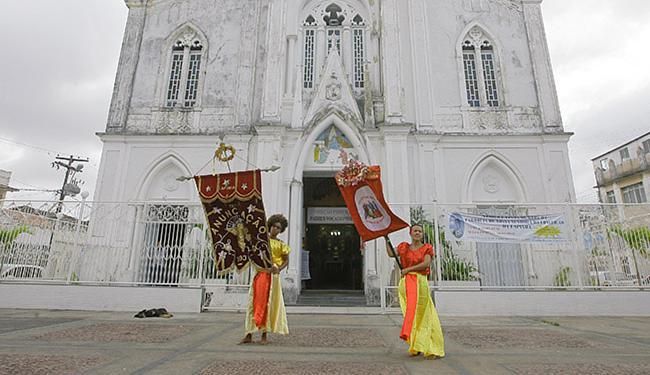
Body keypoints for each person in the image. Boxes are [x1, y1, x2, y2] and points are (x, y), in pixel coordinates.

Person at [387, 224, 445, 358]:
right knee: (412, 316)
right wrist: (386, 238)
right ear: (410, 233)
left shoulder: (427, 248)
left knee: (424, 314)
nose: (417, 233)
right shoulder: (404, 247)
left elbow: (426, 264)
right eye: (415, 231)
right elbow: (391, 253)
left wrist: (408, 270)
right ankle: (417, 344)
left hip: (420, 282)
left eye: (420, 231)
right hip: (407, 283)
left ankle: (432, 346)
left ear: (422, 234)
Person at [240, 214, 290, 344]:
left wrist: (279, 268)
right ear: (270, 225)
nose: (276, 229)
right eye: (274, 226)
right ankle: (248, 333)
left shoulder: (281, 244)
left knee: (268, 304)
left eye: (279, 228)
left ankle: (264, 335)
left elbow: (286, 261)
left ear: (281, 230)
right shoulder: (261, 241)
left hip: (273, 277)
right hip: (260, 275)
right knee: (253, 303)